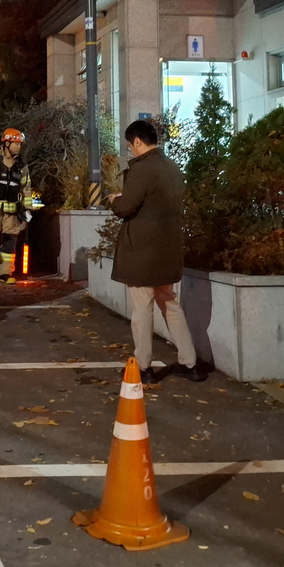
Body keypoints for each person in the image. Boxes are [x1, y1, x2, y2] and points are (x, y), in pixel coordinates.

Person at [109, 119, 205, 382]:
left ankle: (144, 368)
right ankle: (189, 363)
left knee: (142, 309)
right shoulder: (172, 167)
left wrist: (115, 200)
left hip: (142, 251)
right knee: (170, 304)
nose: (130, 150)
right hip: (168, 249)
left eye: (130, 146)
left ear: (138, 141)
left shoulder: (141, 169)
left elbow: (126, 207)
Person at [0, 128, 34, 283]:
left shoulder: (21, 166)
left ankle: (6, 274)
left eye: (20, 144)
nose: (18, 147)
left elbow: (26, 189)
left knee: (10, 243)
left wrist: (27, 209)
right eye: (16, 144)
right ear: (7, 143)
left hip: (12, 212)